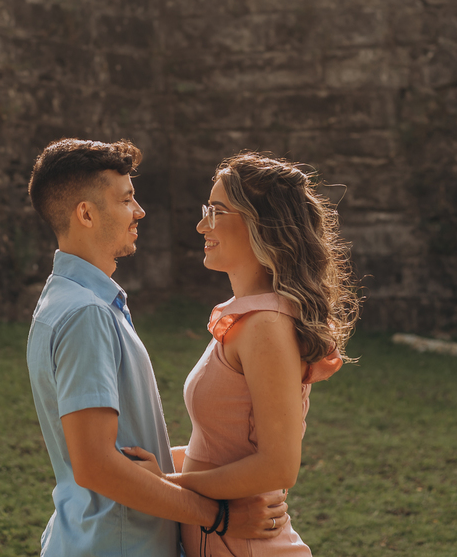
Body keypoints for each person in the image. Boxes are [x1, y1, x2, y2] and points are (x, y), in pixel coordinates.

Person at [25, 138, 293, 557]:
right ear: (86, 214)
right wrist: (218, 516)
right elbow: (97, 465)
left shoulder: (68, 299)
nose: (140, 211)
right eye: (127, 199)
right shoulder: (86, 314)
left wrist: (177, 466)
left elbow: (118, 449)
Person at [124, 152, 360, 556]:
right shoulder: (249, 315)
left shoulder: (266, 326)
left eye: (215, 212)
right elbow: (220, 446)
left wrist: (165, 482)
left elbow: (278, 466)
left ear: (260, 224)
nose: (201, 225)